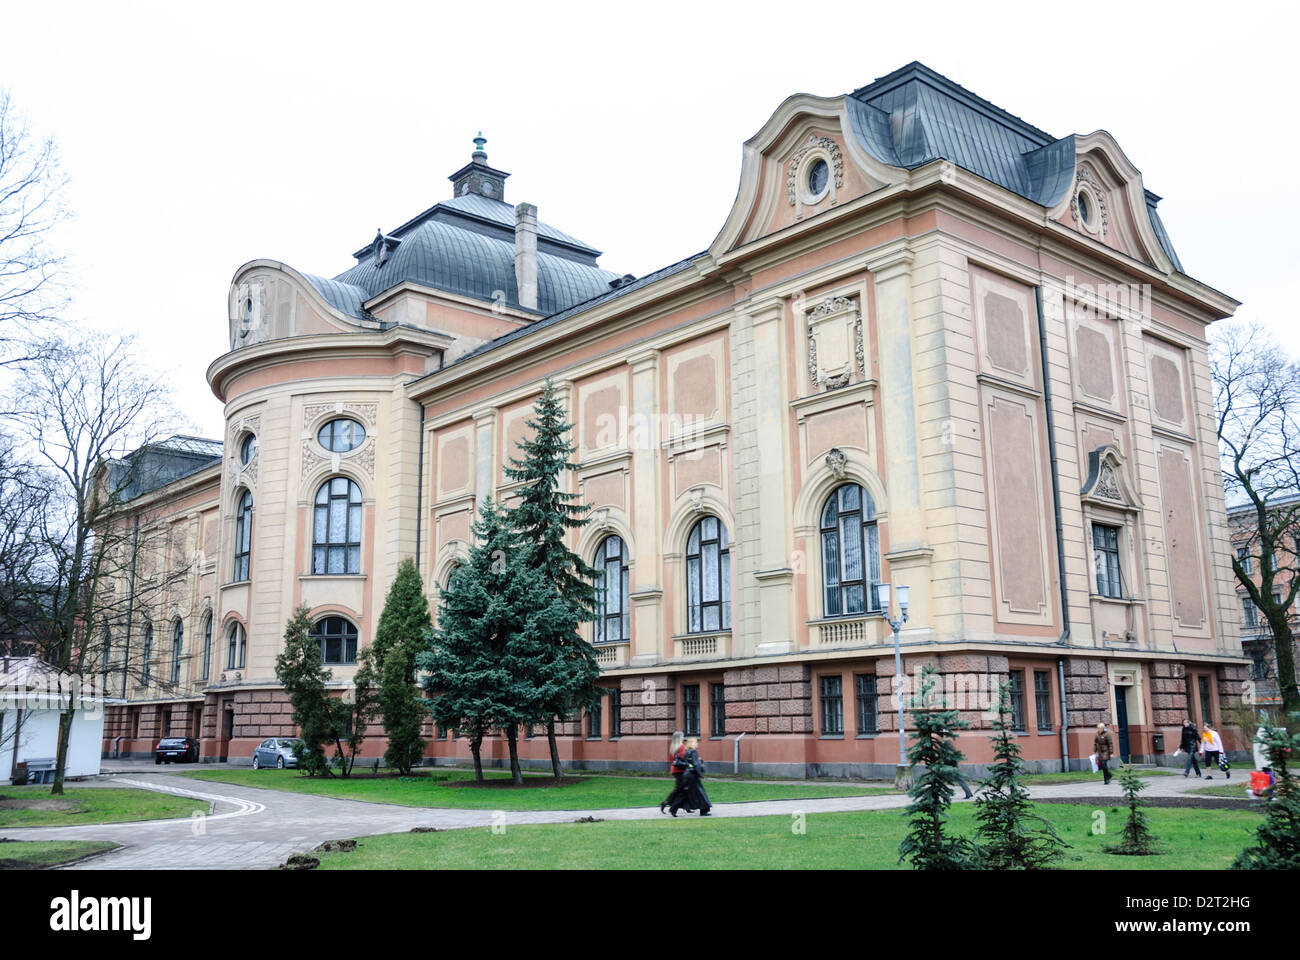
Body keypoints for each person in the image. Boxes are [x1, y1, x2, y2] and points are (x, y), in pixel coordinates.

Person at [670, 736, 711, 817]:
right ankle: (704, 810)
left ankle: (673, 809)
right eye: (696, 742)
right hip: (692, 776)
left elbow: (689, 763)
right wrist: (700, 772)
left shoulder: (687, 752)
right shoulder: (693, 752)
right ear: (692, 743)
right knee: (700, 793)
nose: (697, 744)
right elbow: (696, 765)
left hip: (687, 775)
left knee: (684, 793)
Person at [661, 731, 687, 814]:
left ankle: (684, 806)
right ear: (679, 738)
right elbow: (684, 757)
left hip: (674, 769)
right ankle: (667, 803)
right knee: (679, 789)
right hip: (680, 770)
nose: (683, 738)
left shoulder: (673, 747)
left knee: (681, 789)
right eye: (682, 736)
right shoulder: (682, 746)